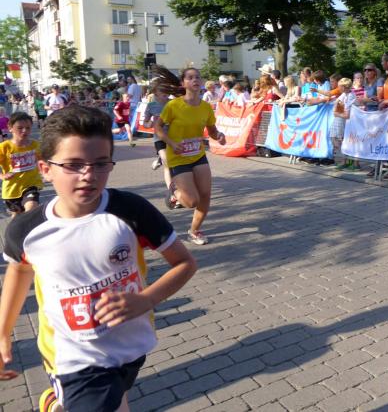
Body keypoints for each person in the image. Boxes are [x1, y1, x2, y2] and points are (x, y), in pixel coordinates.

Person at [0, 105, 197, 412]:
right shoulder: (25, 230)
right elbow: (19, 271)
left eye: (101, 163)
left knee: (116, 395)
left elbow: (185, 263)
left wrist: (146, 299)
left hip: (131, 344)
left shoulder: (131, 210)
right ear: (45, 169)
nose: (88, 175)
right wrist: (3, 333)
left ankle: (56, 401)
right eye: (73, 165)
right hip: (71, 356)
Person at [153, 65, 226, 245]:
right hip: (178, 157)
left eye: (197, 77)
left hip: (198, 155)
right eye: (190, 77)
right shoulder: (174, 105)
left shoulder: (206, 107)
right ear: (183, 83)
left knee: (205, 195)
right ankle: (174, 191)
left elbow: (212, 131)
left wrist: (219, 136)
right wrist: (171, 143)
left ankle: (194, 231)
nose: (195, 80)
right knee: (192, 201)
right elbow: (158, 128)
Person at [0, 112, 43, 218]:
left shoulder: (35, 145)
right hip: (12, 189)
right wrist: (2, 175)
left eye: (28, 128)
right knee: (16, 217)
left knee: (31, 206)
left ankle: (28, 225)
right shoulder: (4, 147)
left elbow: (42, 160)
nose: (24, 131)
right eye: (20, 128)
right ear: (10, 128)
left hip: (31, 184)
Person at [145, 86, 174, 194]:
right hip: (159, 137)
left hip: (174, 137)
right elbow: (145, 122)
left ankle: (159, 160)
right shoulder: (151, 105)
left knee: (172, 161)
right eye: (162, 90)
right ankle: (171, 192)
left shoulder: (173, 103)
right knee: (167, 162)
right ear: (156, 93)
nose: (165, 92)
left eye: (166, 90)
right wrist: (149, 124)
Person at [332, 78, 357, 170]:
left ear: (344, 87)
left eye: (340, 86)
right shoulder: (344, 94)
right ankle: (346, 160)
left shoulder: (351, 96)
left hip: (350, 121)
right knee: (339, 139)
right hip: (344, 121)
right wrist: (337, 110)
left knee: (349, 141)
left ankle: (354, 163)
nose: (338, 88)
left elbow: (347, 114)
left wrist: (337, 113)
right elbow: (337, 104)